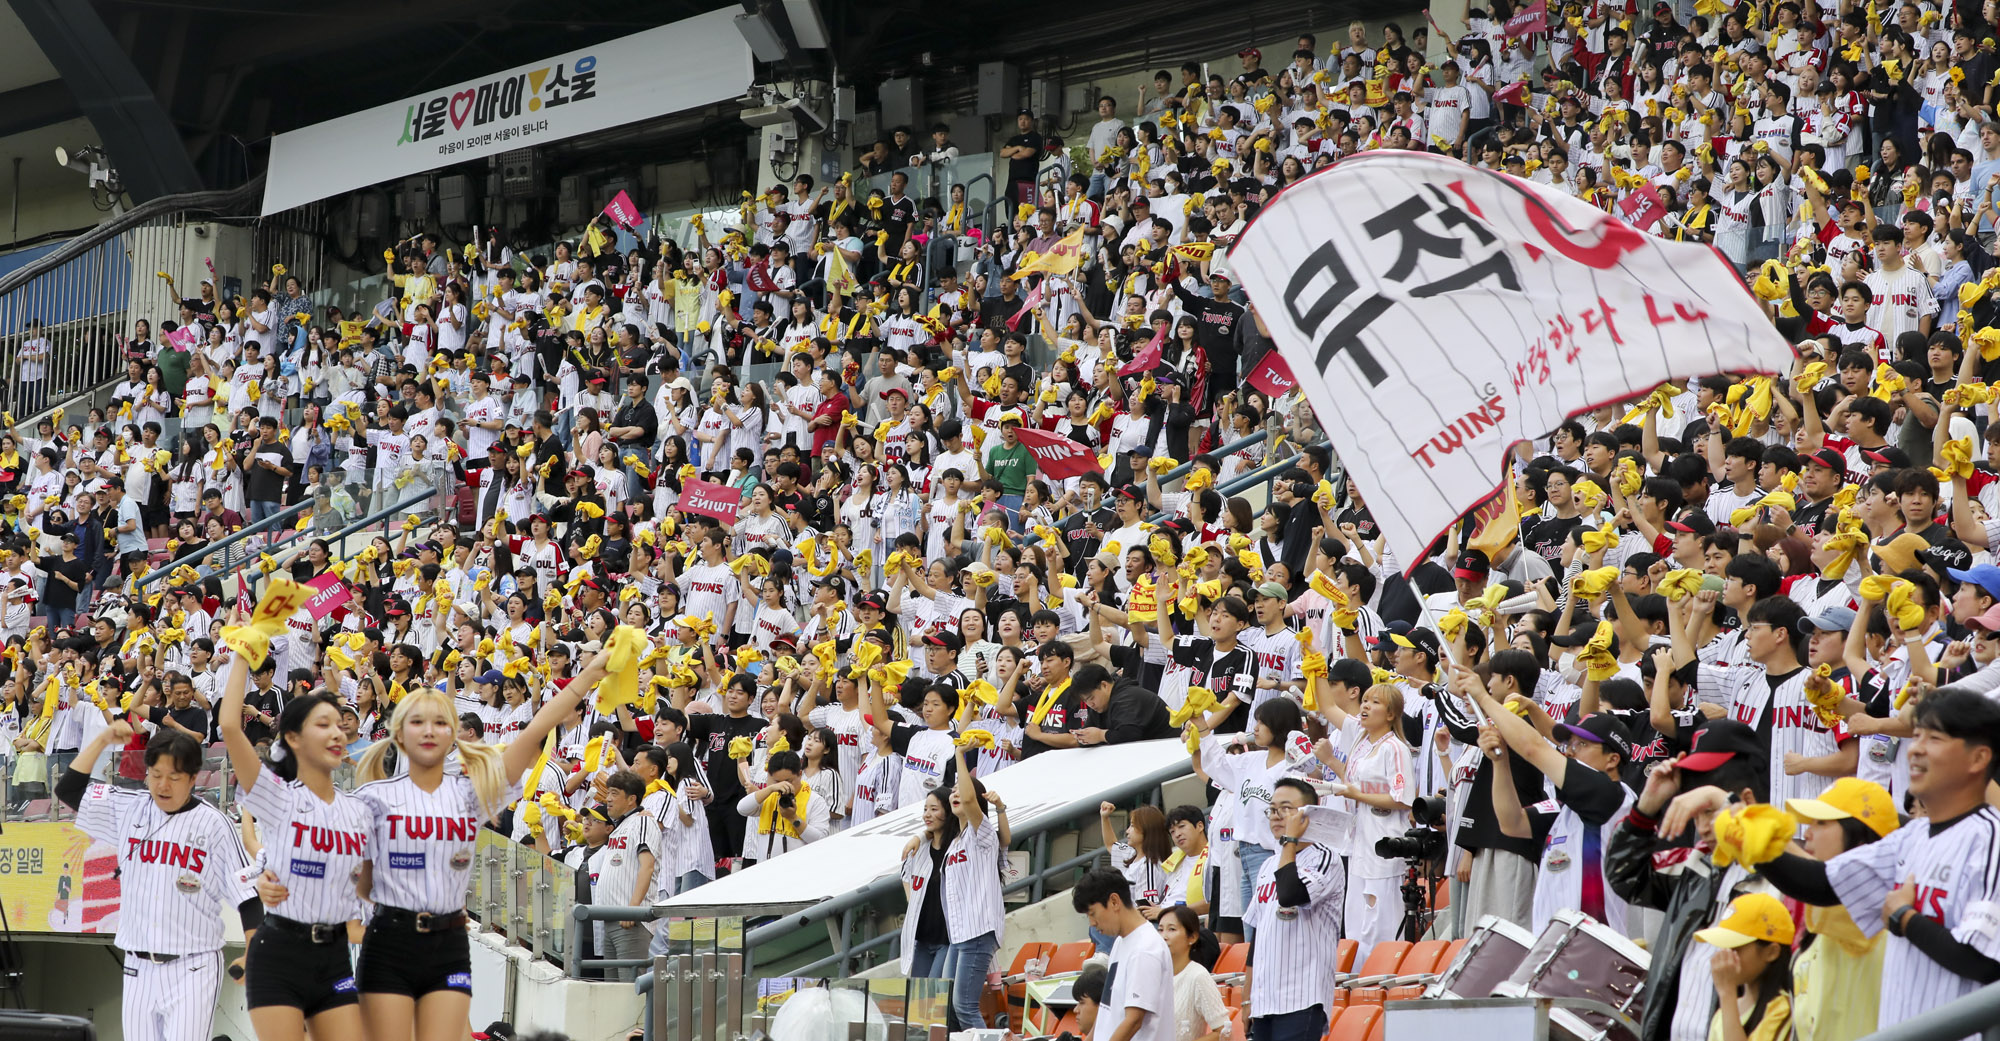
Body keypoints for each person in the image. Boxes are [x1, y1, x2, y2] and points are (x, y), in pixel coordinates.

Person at [1753, 688, 2000, 1033]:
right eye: (1916, 735)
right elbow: (1823, 884)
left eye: (1935, 738)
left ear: (1978, 759)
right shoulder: (1910, 837)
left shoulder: (1990, 839)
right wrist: (1749, 837)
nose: (1915, 749)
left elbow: (1985, 960)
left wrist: (1904, 918)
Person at [218, 611, 372, 1041]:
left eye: (340, 724)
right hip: (279, 952)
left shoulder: (359, 810)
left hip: (337, 957)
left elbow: (364, 897)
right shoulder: (277, 796)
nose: (338, 733)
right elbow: (230, 726)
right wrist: (244, 653)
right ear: (294, 739)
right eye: (322, 724)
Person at [56, 722, 249, 1041]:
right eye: (155, 775)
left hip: (194, 966)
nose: (163, 784)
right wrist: (103, 739)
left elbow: (249, 895)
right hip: (137, 966)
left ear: (193, 778)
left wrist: (253, 948)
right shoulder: (131, 807)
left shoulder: (215, 825)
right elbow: (68, 790)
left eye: (173, 776)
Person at [897, 744, 1005, 1032]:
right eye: (953, 792)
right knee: (946, 1009)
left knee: (963, 1006)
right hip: (959, 935)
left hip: (978, 930)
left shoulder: (981, 834)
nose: (957, 795)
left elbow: (970, 802)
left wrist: (960, 754)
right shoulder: (954, 843)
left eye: (959, 792)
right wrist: (921, 834)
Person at [1784, 777, 1894, 1041]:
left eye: (1821, 822)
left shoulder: (1869, 905)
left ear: (1860, 837)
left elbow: (1819, 879)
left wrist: (1757, 833)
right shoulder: (1823, 913)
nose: (1807, 832)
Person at [1243, 777, 1345, 1041]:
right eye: (1272, 809)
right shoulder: (1268, 865)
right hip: (1264, 1001)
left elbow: (1290, 895)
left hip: (1301, 998)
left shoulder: (1326, 857)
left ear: (1308, 814)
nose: (1277, 816)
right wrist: (1247, 1000)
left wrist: (1289, 839)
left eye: (1286, 809)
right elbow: (1258, 936)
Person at [1072, 867, 1175, 1041]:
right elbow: (1107, 1007)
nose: (1092, 923)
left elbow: (1134, 1020)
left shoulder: (1146, 948)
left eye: (1092, 913)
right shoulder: (1121, 941)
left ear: (1114, 901)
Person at [1692, 894, 1795, 1041]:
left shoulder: (1783, 1010)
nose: (1726, 956)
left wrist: (1727, 993)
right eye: (1723, 947)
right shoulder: (1723, 1013)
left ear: (1772, 952)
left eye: (1736, 948)